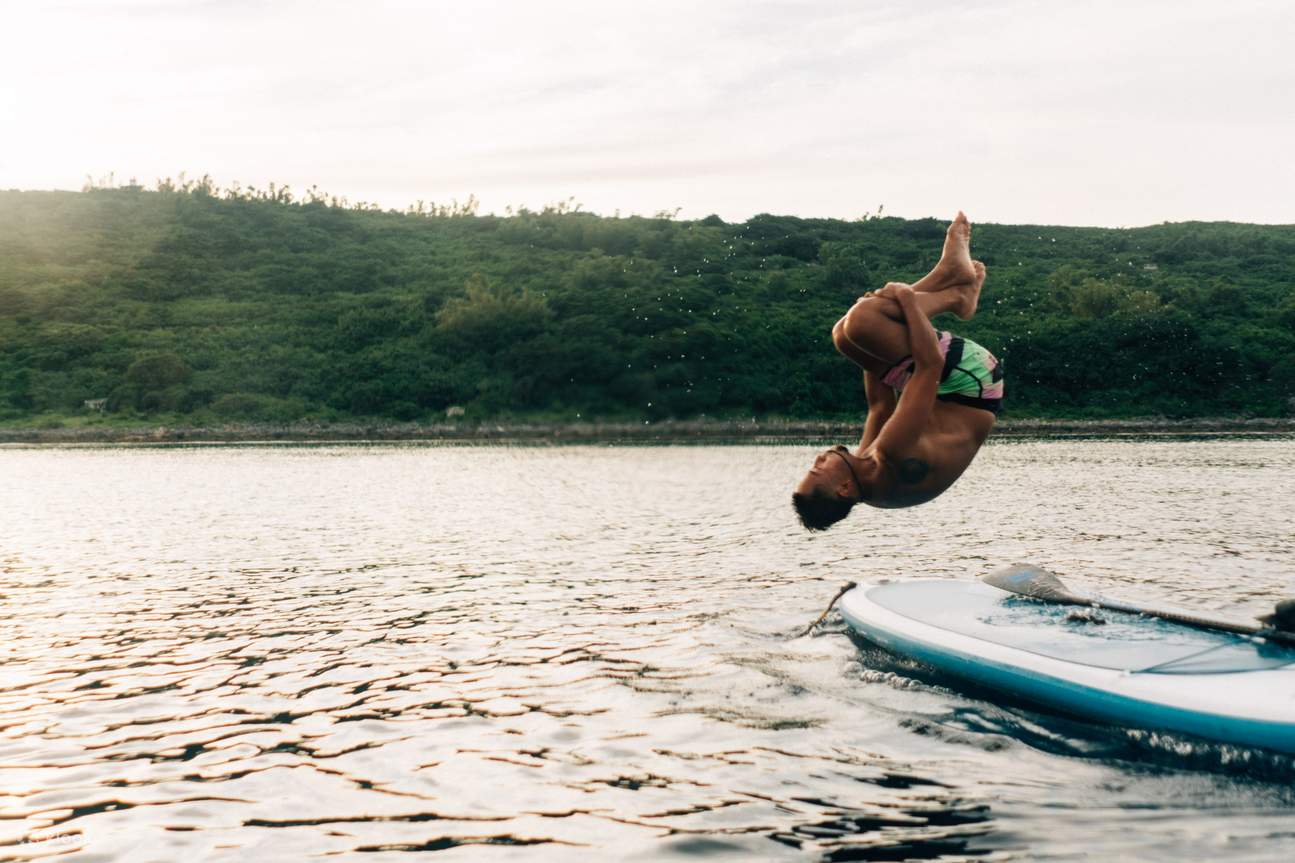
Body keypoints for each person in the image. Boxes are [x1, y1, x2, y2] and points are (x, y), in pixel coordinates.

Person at [793, 212, 1003, 530]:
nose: (818, 459)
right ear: (844, 488)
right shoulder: (893, 454)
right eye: (817, 469)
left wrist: (868, 346)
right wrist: (904, 299)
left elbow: (880, 405)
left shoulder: (868, 474)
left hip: (949, 392)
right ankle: (955, 293)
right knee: (863, 321)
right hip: (974, 382)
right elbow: (930, 365)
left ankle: (952, 285)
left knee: (844, 335)